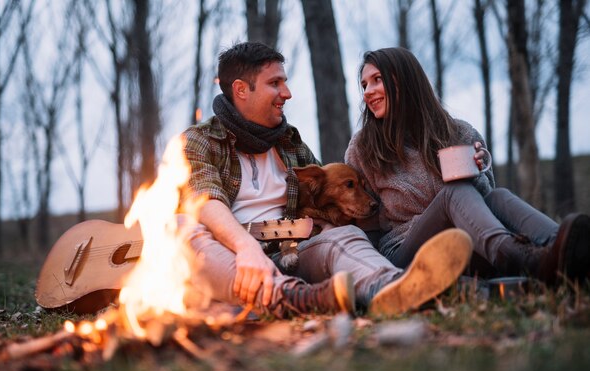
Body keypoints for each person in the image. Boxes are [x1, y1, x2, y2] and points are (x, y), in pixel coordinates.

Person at [178, 41, 475, 318]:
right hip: (229, 261)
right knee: (181, 229)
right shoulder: (200, 141)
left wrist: (331, 221)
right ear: (242, 90)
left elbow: (330, 191)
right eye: (275, 83)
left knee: (342, 237)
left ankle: (395, 287)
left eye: (285, 81)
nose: (287, 93)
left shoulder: (290, 143)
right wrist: (245, 247)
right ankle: (299, 297)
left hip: (290, 255)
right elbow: (203, 198)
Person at [345, 47, 590, 285]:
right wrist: (378, 278)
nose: (368, 91)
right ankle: (522, 258)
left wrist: (477, 171)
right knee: (454, 194)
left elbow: (484, 204)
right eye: (364, 84)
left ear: (408, 80)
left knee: (499, 197)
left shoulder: (458, 132)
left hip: (471, 242)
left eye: (377, 79)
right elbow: (367, 226)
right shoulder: (363, 148)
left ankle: (569, 247)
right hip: (405, 253)